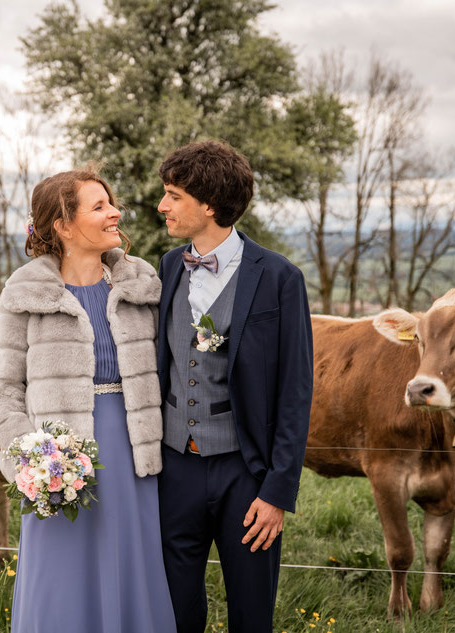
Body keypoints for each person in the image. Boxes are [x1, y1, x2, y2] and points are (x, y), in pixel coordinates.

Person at [0, 166, 176, 633]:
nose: (116, 213)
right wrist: (32, 461)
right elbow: (1, 392)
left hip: (133, 455)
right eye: (100, 206)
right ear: (63, 226)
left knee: (133, 572)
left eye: (111, 203)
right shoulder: (25, 294)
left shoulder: (142, 285)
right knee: (60, 581)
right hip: (59, 463)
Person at [155, 140, 314, 632]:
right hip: (172, 468)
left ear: (209, 204)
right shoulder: (164, 268)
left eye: (173, 195)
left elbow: (295, 391)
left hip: (247, 475)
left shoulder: (280, 278)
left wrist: (277, 492)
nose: (162, 205)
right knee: (176, 613)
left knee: (251, 614)